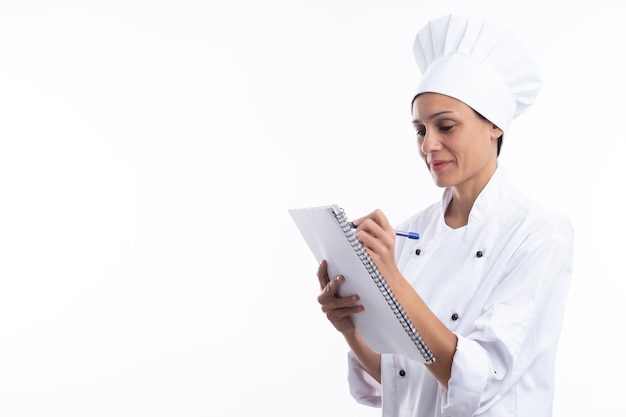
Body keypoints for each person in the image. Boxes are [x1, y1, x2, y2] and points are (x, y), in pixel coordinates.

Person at [316, 14, 574, 417]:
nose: (428, 145)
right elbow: (402, 381)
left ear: (495, 126)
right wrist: (351, 328)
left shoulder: (539, 235)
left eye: (446, 126)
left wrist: (394, 282)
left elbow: (480, 381)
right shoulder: (409, 234)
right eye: (420, 130)